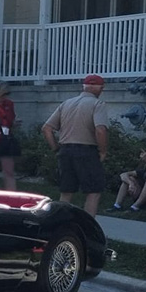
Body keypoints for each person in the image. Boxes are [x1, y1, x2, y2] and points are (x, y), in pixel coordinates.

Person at [42, 74, 112, 216]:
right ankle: (88, 228)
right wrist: (103, 151)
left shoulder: (66, 103)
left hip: (65, 150)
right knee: (93, 191)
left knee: (66, 191)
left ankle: (60, 224)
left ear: (83, 86)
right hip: (87, 151)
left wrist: (55, 148)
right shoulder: (97, 104)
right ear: (101, 88)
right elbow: (100, 129)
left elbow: (47, 129)